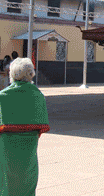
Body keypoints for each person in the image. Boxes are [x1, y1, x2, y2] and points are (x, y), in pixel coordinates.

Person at [0, 58, 49, 196]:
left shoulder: (3, 96)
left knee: (6, 182)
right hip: (29, 148)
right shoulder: (38, 95)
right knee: (27, 180)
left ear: (12, 74)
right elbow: (41, 127)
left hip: (6, 149)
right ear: (31, 74)